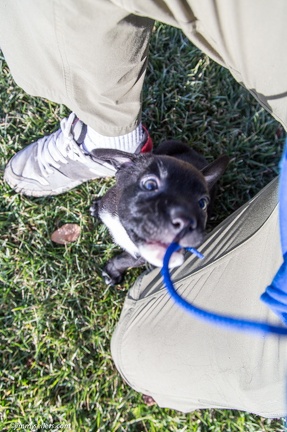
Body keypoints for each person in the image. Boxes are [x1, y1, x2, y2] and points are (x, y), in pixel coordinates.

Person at [1, 0, 287, 418]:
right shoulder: (114, 201)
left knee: (149, 354)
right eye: (150, 185)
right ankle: (106, 133)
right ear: (119, 170)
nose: (183, 217)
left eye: (200, 203)